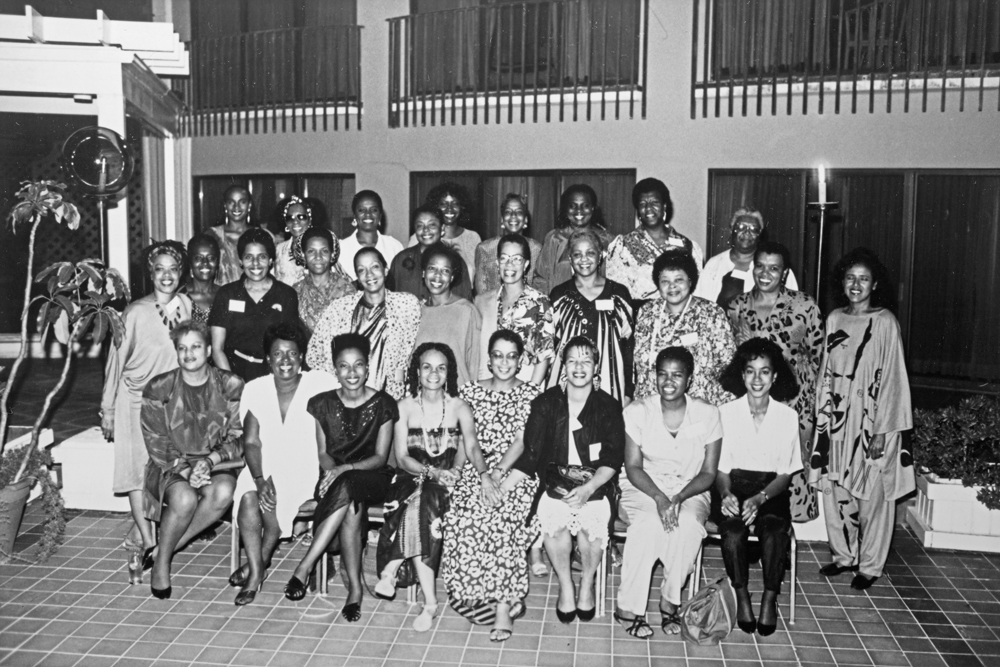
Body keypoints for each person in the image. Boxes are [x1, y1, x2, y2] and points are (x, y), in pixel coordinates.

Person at [808, 248, 913, 591]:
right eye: (851, 278)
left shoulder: (885, 322)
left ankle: (869, 565)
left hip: (872, 425)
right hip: (837, 421)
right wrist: (820, 420)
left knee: (872, 497)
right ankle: (843, 556)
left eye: (863, 279)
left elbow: (895, 380)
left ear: (875, 284)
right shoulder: (835, 318)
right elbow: (825, 373)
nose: (856, 285)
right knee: (836, 490)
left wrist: (883, 431)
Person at [376, 343, 499, 632]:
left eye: (441, 367)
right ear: (417, 372)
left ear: (449, 373)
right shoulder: (403, 407)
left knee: (426, 501)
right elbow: (403, 458)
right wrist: (433, 472)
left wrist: (470, 473)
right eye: (427, 367)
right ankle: (429, 602)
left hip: (447, 482)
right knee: (422, 501)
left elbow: (470, 446)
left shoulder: (459, 407)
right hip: (409, 478)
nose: (434, 373)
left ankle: (392, 568)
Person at [282, 334, 397, 621]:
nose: (352, 373)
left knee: (350, 486)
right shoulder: (322, 403)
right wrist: (331, 470)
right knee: (351, 505)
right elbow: (323, 453)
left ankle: (304, 566)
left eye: (358, 365)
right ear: (335, 370)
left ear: (368, 368)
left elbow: (381, 458)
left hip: (374, 478)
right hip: (336, 481)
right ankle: (355, 590)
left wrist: (342, 470)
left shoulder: (384, 403)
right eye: (344, 366)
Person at [517, 337, 626, 625]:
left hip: (598, 484)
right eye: (572, 360)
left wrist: (588, 488)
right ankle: (566, 585)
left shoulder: (608, 405)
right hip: (554, 483)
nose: (579, 367)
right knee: (554, 525)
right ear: (563, 365)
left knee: (591, 531)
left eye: (586, 360)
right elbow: (531, 453)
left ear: (596, 366)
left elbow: (613, 459)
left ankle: (587, 583)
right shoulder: (546, 403)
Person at [442, 330, 542, 642]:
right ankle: (473, 593)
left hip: (516, 472)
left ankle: (503, 604)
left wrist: (499, 473)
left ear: (521, 360)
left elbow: (524, 441)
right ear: (489, 358)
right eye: (497, 355)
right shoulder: (470, 391)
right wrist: (458, 472)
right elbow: (465, 441)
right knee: (464, 514)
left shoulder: (531, 394)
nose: (504, 362)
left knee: (502, 515)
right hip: (477, 469)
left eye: (512, 356)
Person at [615, 347, 722, 639]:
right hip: (643, 487)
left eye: (677, 375)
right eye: (663, 374)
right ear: (655, 377)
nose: (669, 381)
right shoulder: (637, 411)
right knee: (649, 525)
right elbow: (633, 466)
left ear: (689, 378)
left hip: (691, 489)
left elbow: (708, 473)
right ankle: (629, 608)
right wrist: (661, 498)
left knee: (687, 526)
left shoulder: (708, 413)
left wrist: (679, 498)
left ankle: (670, 601)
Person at [229, 322, 338, 605]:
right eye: (278, 354)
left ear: (301, 356)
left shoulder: (320, 383)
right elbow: (251, 442)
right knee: (249, 499)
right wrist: (259, 478)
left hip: (305, 465)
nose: (285, 360)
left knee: (277, 500)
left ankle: (257, 568)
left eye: (292, 353)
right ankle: (256, 569)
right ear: (268, 358)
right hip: (262, 464)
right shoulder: (255, 388)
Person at [103, 242, 193, 568]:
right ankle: (148, 538)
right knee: (136, 473)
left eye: (173, 269)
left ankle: (143, 534)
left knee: (159, 474)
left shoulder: (185, 305)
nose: (166, 276)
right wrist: (108, 410)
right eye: (160, 269)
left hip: (169, 404)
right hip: (135, 402)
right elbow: (116, 360)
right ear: (151, 273)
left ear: (180, 273)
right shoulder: (136, 312)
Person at [140, 321, 244, 599]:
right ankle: (162, 566)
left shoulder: (231, 384)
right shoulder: (159, 387)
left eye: (196, 346)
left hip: (218, 461)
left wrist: (209, 461)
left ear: (209, 350)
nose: (189, 353)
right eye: (182, 348)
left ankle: (164, 550)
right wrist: (186, 471)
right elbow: (156, 441)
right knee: (184, 498)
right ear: (176, 352)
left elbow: (238, 434)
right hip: (170, 463)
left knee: (223, 491)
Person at [726, 241, 823, 522]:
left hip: (795, 402)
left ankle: (783, 530)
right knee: (752, 462)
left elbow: (819, 358)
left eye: (774, 268)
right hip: (754, 399)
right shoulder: (737, 306)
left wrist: (815, 404)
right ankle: (750, 520)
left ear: (784, 273)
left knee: (791, 465)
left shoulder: (805, 305)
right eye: (760, 267)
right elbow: (734, 361)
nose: (765, 274)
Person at [714, 338, 802, 636]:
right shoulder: (725, 413)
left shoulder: (788, 417)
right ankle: (741, 595)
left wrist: (761, 497)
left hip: (770, 490)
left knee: (775, 529)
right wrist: (726, 493)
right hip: (733, 486)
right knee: (734, 531)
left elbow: (786, 474)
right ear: (741, 374)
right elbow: (721, 468)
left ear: (775, 376)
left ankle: (769, 596)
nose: (757, 379)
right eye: (750, 371)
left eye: (764, 372)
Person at [306, 247, 421, 399]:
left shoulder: (406, 305)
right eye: (362, 270)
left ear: (385, 270)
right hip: (349, 398)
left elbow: (411, 349)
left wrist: (400, 380)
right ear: (357, 278)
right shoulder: (340, 309)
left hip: (391, 398)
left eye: (375, 267)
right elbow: (314, 355)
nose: (369, 275)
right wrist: (336, 380)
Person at [633, 250, 735, 405]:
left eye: (679, 280)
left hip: (699, 406)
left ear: (690, 281)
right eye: (665, 281)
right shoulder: (647, 312)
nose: (672, 286)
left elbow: (728, 365)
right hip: (652, 407)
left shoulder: (711, 313)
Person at [548, 228, 634, 404]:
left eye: (590, 253)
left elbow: (628, 348)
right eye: (577, 254)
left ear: (600, 255)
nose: (584, 259)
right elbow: (551, 345)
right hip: (566, 386)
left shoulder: (619, 294)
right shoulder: (558, 295)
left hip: (609, 387)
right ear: (570, 259)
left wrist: (627, 391)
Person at [209, 228, 299, 381]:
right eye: (249, 257)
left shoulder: (286, 295)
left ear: (271, 260)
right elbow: (217, 349)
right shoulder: (227, 294)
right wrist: (232, 382)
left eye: (262, 257)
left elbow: (289, 347)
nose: (255, 264)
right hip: (230, 373)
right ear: (240, 261)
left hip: (272, 376)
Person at [475, 233, 555, 384]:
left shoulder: (539, 303)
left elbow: (543, 356)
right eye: (504, 258)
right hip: (488, 389)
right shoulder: (482, 302)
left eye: (517, 259)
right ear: (497, 262)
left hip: (524, 388)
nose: (509, 264)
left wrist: (529, 394)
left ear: (526, 265)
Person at [607, 178, 704, 303]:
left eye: (654, 202)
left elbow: (696, 292)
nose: (648, 208)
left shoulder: (688, 246)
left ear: (664, 206)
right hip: (639, 318)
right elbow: (617, 295)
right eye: (642, 204)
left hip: (680, 316)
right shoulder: (622, 246)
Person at [695, 208, 799, 307]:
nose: (747, 232)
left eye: (754, 229)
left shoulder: (776, 266)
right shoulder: (714, 263)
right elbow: (699, 302)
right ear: (731, 230)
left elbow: (793, 305)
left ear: (760, 235)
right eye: (741, 227)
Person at [413, 243, 482, 386]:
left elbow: (474, 363)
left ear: (451, 277)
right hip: (423, 397)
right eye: (432, 268)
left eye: (445, 271)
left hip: (457, 397)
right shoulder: (415, 312)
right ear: (424, 273)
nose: (437, 276)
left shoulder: (466, 310)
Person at [533, 184, 614, 296]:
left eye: (585, 205)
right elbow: (541, 279)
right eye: (572, 205)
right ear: (566, 208)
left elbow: (615, 281)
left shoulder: (608, 241)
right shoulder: (554, 239)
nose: (579, 210)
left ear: (592, 208)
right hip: (559, 308)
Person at [389, 205, 472, 301]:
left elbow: (464, 301)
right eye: (420, 225)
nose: (425, 230)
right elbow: (391, 298)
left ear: (442, 228)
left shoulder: (455, 261)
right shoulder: (401, 259)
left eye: (432, 225)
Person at [410, 182, 481, 282]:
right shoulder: (421, 237)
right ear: (435, 206)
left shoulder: (473, 237)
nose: (449, 208)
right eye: (443, 204)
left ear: (462, 207)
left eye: (455, 203)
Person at [474, 193, 542, 295]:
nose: (513, 215)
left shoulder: (537, 249)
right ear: (502, 220)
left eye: (519, 212)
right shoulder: (484, 249)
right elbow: (481, 291)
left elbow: (540, 287)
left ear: (525, 220)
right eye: (508, 212)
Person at [206, 184, 274, 286]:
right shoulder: (212, 235)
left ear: (249, 205)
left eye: (242, 202)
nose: (236, 207)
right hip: (221, 296)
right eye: (231, 202)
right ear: (225, 205)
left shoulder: (263, 235)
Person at [293, 227, 356, 333]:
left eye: (324, 251)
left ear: (332, 255)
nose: (318, 257)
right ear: (303, 255)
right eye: (311, 251)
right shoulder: (295, 292)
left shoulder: (347, 290)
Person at [339, 190, 404, 281]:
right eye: (361, 210)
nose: (368, 214)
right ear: (354, 215)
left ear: (380, 215)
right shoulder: (341, 249)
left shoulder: (394, 246)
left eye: (374, 210)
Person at [273, 196, 313, 286]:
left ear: (309, 220)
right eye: (290, 218)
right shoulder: (278, 250)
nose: (295, 221)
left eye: (301, 217)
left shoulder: (320, 248)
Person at [182, 234, 219, 324]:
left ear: (217, 262)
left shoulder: (226, 295)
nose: (205, 262)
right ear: (190, 263)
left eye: (211, 258)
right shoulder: (180, 296)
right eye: (198, 258)